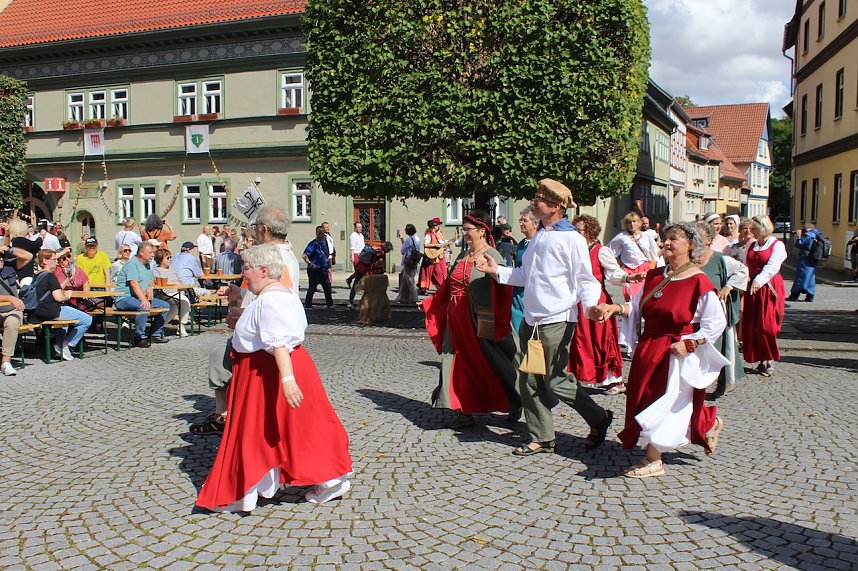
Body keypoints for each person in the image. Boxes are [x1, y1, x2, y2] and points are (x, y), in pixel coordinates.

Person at [195, 244, 353, 511]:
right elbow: (266, 326)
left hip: (267, 372)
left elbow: (278, 342)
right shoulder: (278, 293)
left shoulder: (272, 299)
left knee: (264, 432)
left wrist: (287, 381)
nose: (244, 273)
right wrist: (239, 296)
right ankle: (313, 480)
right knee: (289, 429)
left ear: (263, 270)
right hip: (270, 370)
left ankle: (246, 491)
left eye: (246, 269)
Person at [477, 179, 613, 456]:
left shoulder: (572, 238)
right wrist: (497, 271)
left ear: (555, 206)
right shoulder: (539, 235)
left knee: (555, 380)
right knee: (528, 381)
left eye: (540, 199)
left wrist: (590, 307)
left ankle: (598, 417)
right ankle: (543, 436)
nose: (534, 202)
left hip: (557, 319)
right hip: (532, 320)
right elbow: (526, 277)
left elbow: (586, 280)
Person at [598, 222, 727, 478]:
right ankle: (707, 423)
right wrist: (614, 309)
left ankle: (653, 460)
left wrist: (690, 343)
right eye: (665, 238)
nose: (666, 243)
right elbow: (635, 308)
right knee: (644, 397)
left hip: (676, 352)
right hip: (649, 347)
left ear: (690, 245)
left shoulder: (698, 282)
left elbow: (716, 322)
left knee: (664, 403)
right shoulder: (657, 276)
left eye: (674, 239)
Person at [190, 206, 300, 435]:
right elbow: (265, 292)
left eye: (256, 228)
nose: (254, 233)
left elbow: (274, 301)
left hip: (263, 339)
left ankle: (225, 416)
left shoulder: (273, 256)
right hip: (263, 333)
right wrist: (238, 294)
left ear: (265, 229)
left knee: (220, 358)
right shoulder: (284, 253)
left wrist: (244, 313)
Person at [422, 210, 520, 428]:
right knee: (456, 361)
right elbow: (449, 284)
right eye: (463, 229)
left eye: (467, 230)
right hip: (456, 318)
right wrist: (431, 303)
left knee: (493, 362)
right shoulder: (462, 255)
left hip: (480, 319)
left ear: (482, 231)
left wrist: (496, 314)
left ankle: (515, 400)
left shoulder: (492, 254)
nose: (464, 233)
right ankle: (464, 409)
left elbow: (504, 287)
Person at [570, 214, 639, 394]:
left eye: (579, 230)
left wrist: (628, 277)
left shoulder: (600, 250)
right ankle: (587, 377)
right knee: (582, 340)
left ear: (590, 231)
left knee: (603, 340)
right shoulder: (575, 250)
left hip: (598, 301)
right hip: (579, 301)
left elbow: (614, 273)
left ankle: (615, 379)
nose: (575, 233)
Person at [696, 222, 749, 399]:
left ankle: (724, 381)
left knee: (721, 348)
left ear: (709, 239)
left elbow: (742, 270)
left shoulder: (720, 259)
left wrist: (728, 286)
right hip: (694, 312)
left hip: (717, 313)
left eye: (698, 235)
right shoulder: (688, 259)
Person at [741, 215, 786, 378]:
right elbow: (745, 266)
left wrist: (758, 280)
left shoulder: (777, 245)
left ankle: (769, 358)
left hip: (770, 287)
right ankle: (761, 359)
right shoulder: (751, 246)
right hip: (753, 289)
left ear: (764, 227)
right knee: (754, 325)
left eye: (754, 228)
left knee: (766, 326)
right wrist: (743, 281)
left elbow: (772, 266)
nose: (751, 231)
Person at [31, 249, 93, 361]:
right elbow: (59, 297)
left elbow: (54, 288)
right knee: (87, 319)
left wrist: (68, 278)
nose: (56, 262)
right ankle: (65, 345)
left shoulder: (36, 275)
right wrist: (68, 295)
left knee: (66, 321)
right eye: (54, 260)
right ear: (45, 261)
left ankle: (60, 345)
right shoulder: (50, 276)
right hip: (51, 310)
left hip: (36, 312)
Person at [113, 241, 171, 347]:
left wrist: (150, 288)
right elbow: (134, 283)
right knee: (143, 306)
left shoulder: (147, 264)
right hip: (124, 298)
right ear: (141, 253)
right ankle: (139, 337)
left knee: (165, 305)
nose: (153, 255)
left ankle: (155, 334)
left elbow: (150, 281)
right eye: (150, 252)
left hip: (138, 297)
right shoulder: (132, 264)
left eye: (153, 252)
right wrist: (143, 299)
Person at [609, 212, 658, 302]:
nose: (632, 224)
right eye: (629, 222)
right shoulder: (621, 237)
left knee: (644, 296)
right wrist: (618, 264)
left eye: (634, 221)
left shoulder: (646, 236)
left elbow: (655, 253)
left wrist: (652, 267)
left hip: (644, 268)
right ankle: (630, 315)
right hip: (628, 270)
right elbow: (610, 251)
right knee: (630, 296)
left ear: (639, 222)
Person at [510, 207, 538, 334]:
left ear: (535, 223)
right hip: (518, 293)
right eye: (520, 220)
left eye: (524, 221)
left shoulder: (539, 243)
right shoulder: (521, 244)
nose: (521, 223)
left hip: (532, 293)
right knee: (517, 328)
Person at [152, 248, 190, 337]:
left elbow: (181, 281)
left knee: (185, 302)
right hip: (163, 293)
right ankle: (159, 326)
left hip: (175, 292)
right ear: (161, 259)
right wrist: (173, 283)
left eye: (170, 257)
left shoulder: (174, 269)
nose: (170, 260)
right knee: (173, 307)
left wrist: (179, 285)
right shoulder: (156, 270)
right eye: (167, 258)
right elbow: (158, 283)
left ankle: (181, 325)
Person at [347, 242, 393, 309]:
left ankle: (350, 302)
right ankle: (367, 303)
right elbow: (378, 263)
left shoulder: (374, 247)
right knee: (369, 287)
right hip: (367, 269)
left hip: (360, 266)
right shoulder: (380, 252)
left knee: (355, 284)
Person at [0, 256, 24, 376]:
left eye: (1, 256)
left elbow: (28, 257)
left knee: (12, 322)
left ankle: (6, 362)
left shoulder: (9, 268)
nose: (0, 259)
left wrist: (10, 250)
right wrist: (9, 298)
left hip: (12, 311)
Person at [787, 223, 820, 302]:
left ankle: (794, 295)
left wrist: (799, 236)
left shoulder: (809, 235)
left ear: (807, 229)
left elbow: (799, 244)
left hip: (805, 258)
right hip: (812, 259)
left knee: (801, 276)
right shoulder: (817, 234)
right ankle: (810, 295)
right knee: (810, 277)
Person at [303, 226, 333, 310]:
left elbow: (327, 254)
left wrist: (328, 263)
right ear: (316, 233)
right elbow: (304, 255)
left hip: (323, 269)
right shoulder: (313, 244)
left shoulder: (325, 242)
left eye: (322, 233)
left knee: (327, 287)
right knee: (312, 287)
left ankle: (330, 304)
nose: (321, 235)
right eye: (319, 233)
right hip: (314, 270)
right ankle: (308, 305)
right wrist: (310, 263)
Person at [419, 218, 448, 294]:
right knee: (427, 274)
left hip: (436, 257)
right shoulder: (429, 234)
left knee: (438, 274)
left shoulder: (437, 234)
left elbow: (441, 243)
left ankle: (442, 288)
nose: (439, 226)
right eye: (438, 224)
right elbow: (426, 244)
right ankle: (424, 288)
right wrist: (436, 245)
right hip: (430, 257)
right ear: (434, 226)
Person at [7, 219, 41, 284]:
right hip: (25, 272)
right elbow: (36, 244)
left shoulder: (12, 241)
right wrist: (41, 236)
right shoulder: (20, 240)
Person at [396, 224, 422, 305]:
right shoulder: (417, 239)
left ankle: (415, 298)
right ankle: (401, 297)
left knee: (410, 280)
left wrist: (402, 240)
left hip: (408, 261)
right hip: (414, 260)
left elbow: (403, 251)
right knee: (405, 280)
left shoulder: (408, 240)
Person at [346, 222, 365, 288]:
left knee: (360, 270)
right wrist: (352, 256)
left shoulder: (361, 235)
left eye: (361, 227)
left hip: (362, 254)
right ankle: (358, 285)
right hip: (356, 254)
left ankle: (349, 279)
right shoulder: (353, 235)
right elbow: (352, 247)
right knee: (359, 270)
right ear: (355, 228)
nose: (360, 228)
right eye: (358, 227)